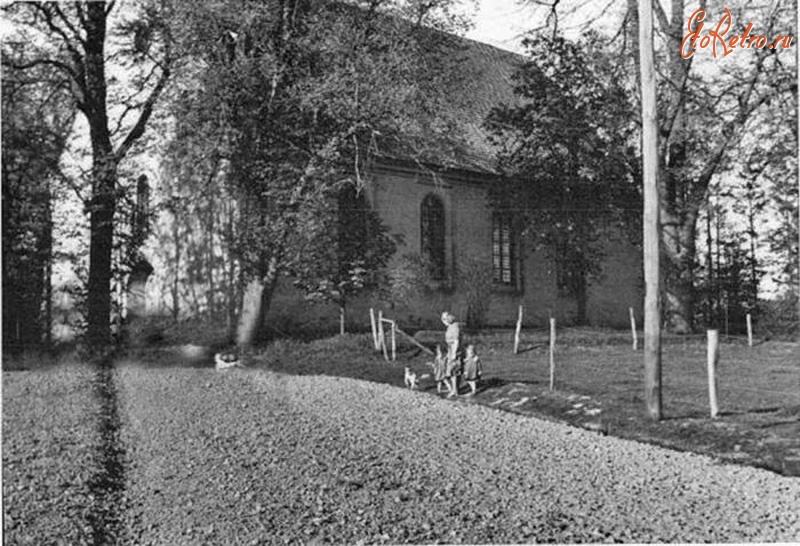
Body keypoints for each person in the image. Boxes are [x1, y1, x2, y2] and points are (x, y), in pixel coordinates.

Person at [441, 311, 462, 397]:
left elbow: (456, 341)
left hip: (455, 350)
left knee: (454, 370)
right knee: (452, 371)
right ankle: (454, 389)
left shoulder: (455, 327)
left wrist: (453, 353)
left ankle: (455, 390)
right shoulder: (450, 327)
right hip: (450, 349)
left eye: (445, 319)